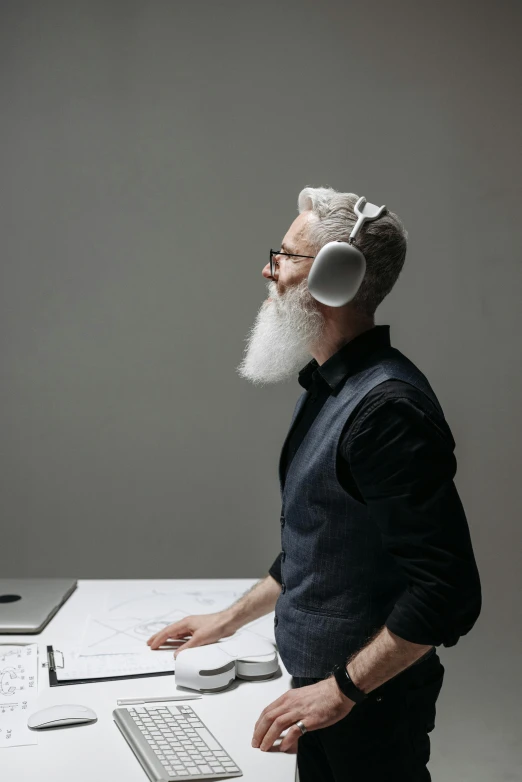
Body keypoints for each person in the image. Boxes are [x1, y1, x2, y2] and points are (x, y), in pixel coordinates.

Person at [147, 186, 482, 781]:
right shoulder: (331, 385)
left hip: (367, 702)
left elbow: (447, 592)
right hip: (331, 690)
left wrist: (341, 691)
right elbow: (326, 542)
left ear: (333, 278)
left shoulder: (385, 410)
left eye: (283, 256)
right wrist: (228, 620)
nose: (267, 269)